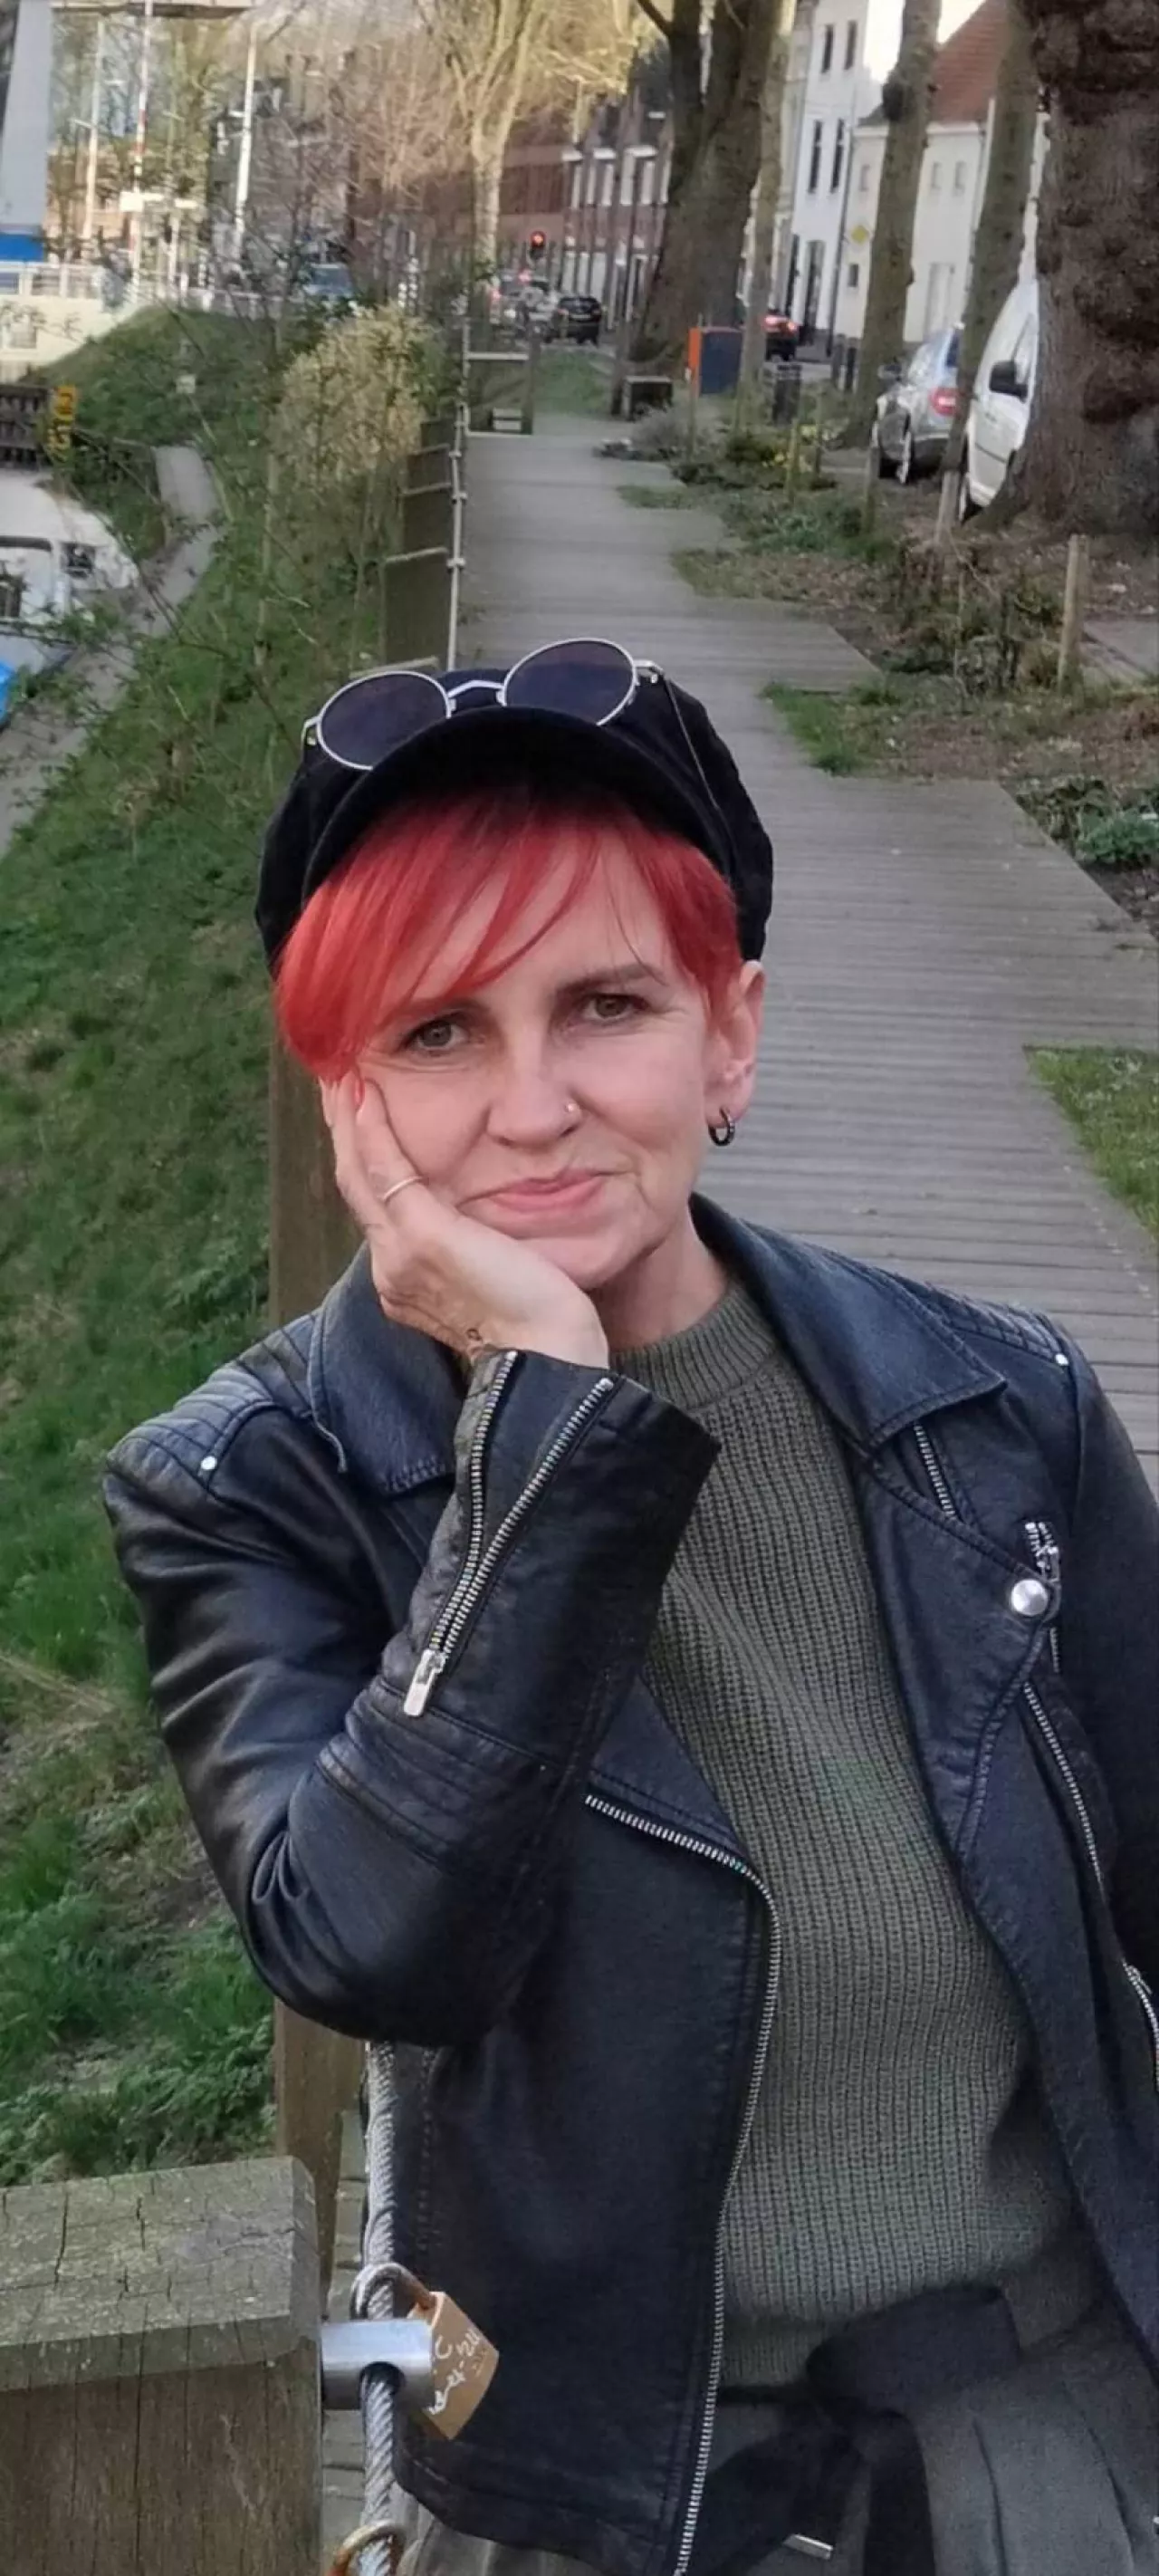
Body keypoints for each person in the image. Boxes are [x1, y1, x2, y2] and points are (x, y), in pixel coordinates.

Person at [105, 643, 1159, 2576]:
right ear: (344, 1090)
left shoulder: (997, 1406)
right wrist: (546, 1433)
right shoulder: (250, 1485)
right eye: (437, 1031)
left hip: (1050, 2445)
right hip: (599, 2497)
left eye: (606, 1005)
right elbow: (372, 1946)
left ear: (728, 1037)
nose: (534, 1106)